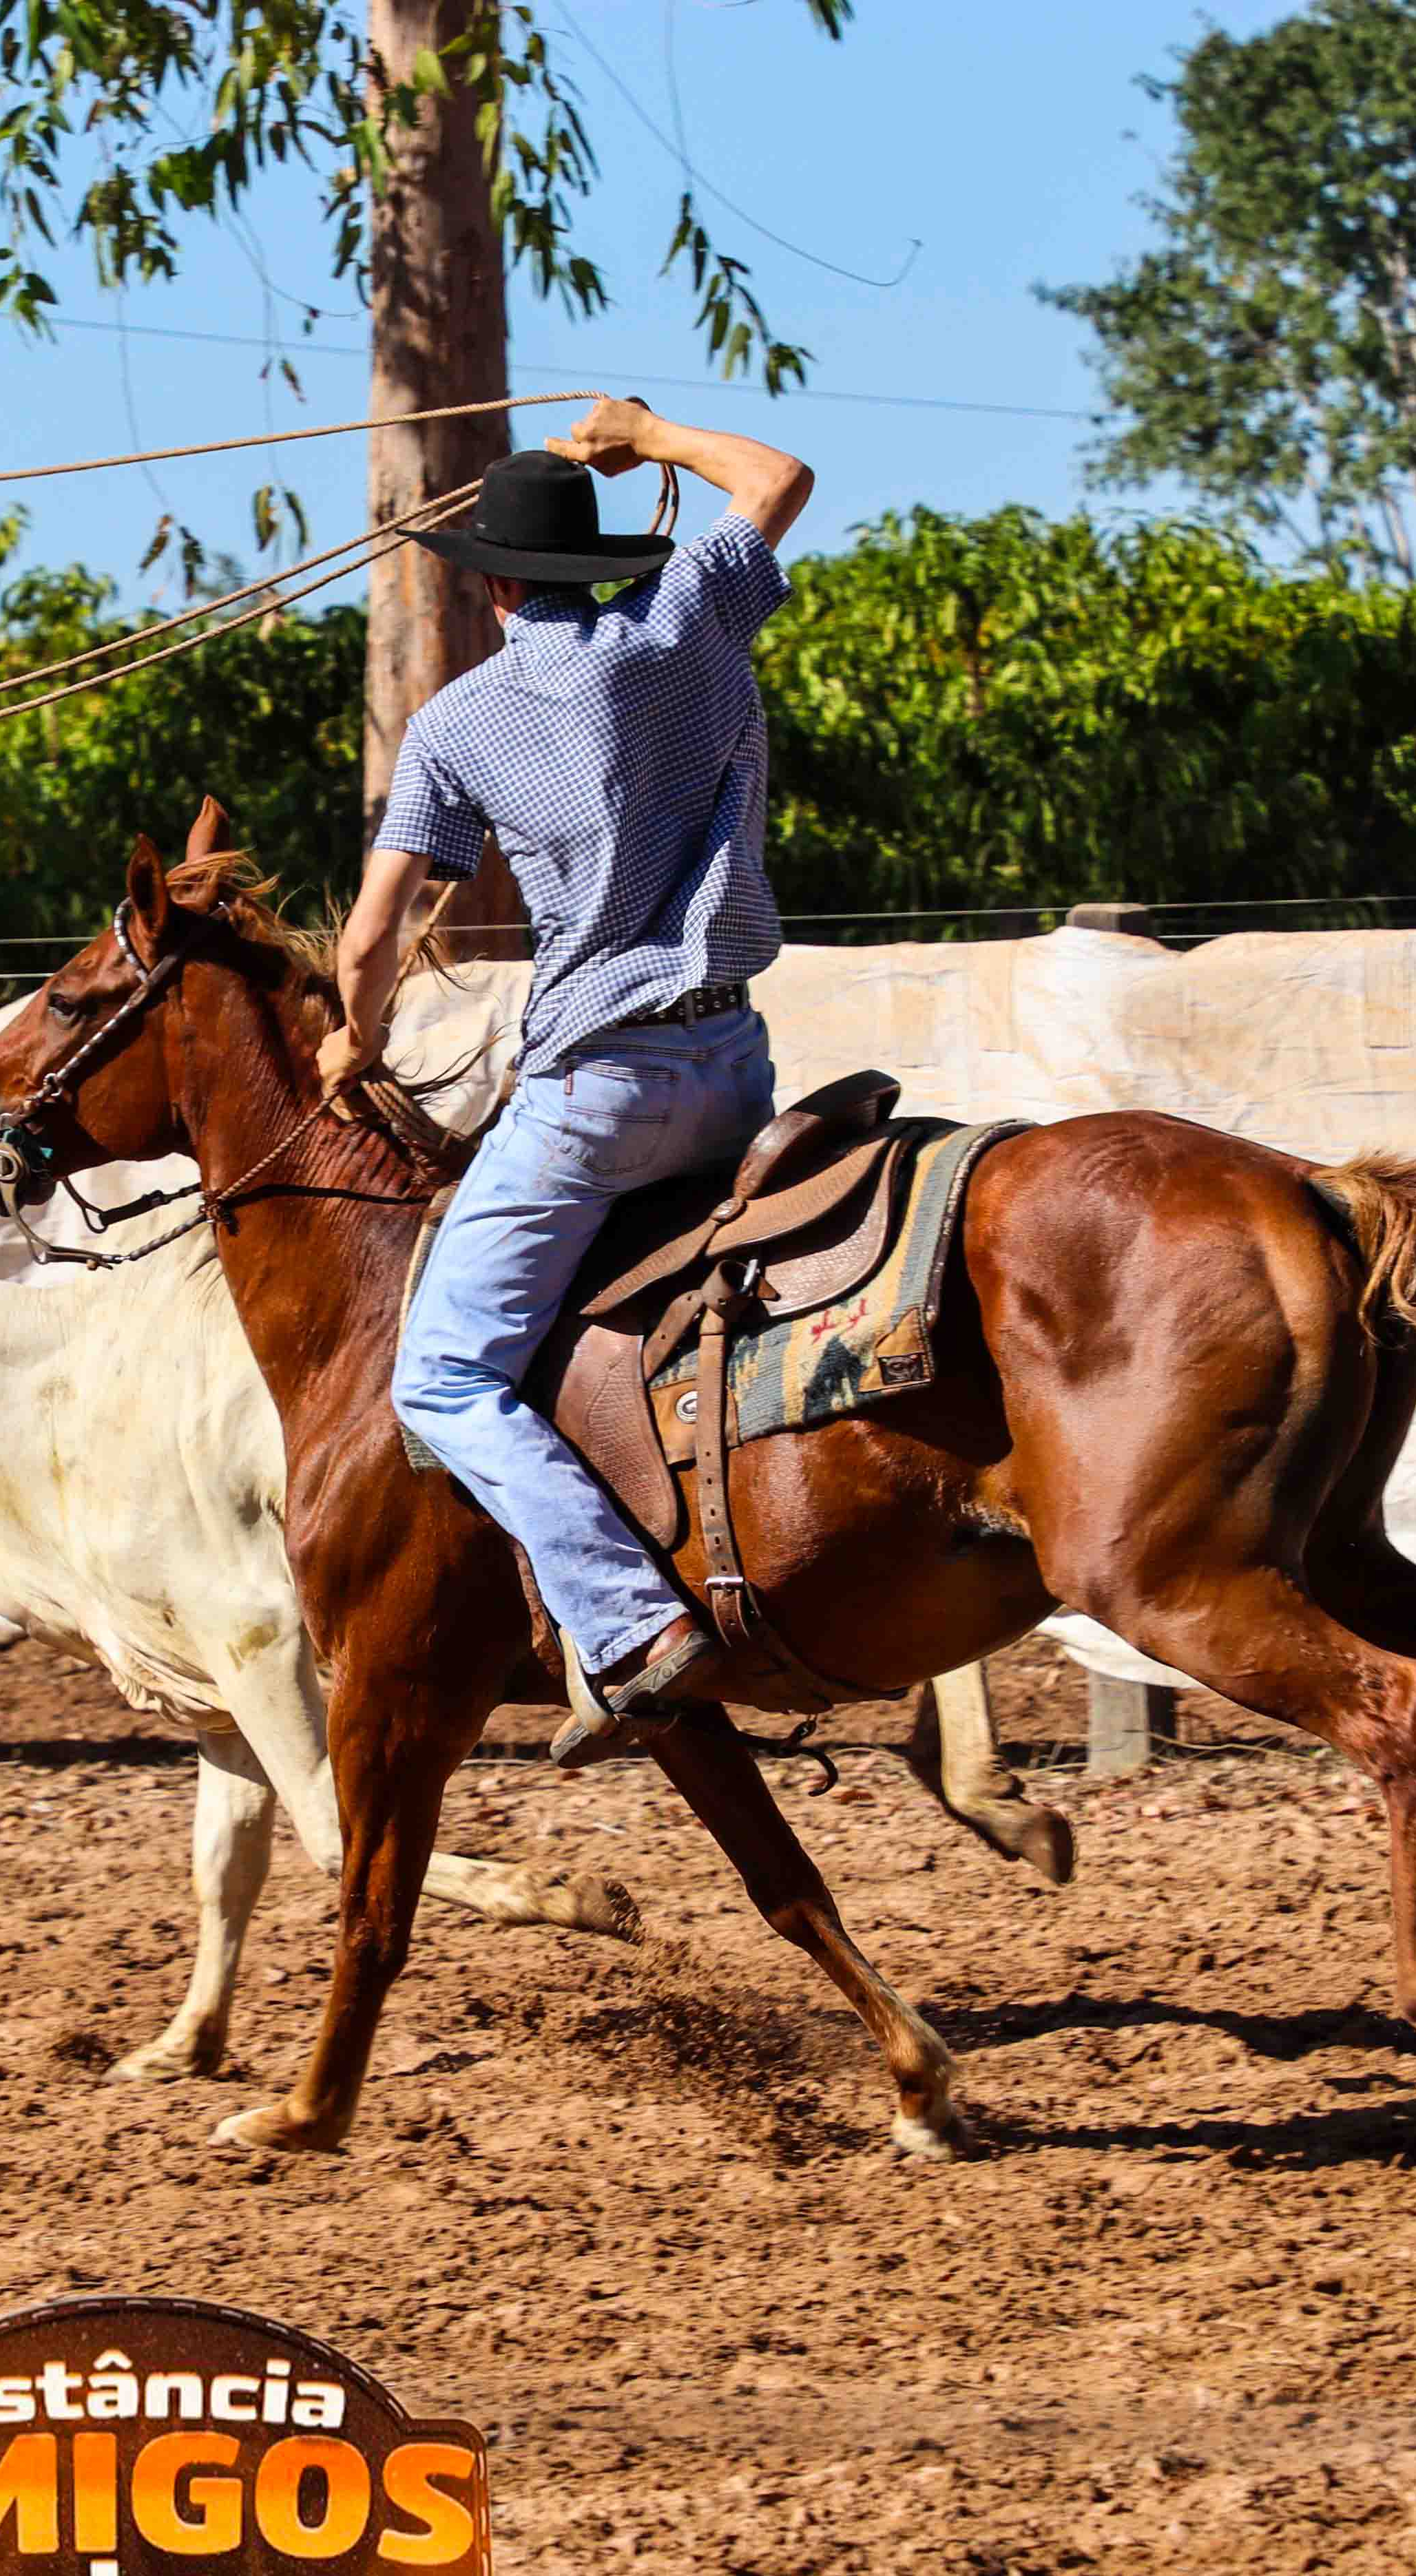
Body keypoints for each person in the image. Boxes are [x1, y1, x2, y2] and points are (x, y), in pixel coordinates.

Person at [315, 397, 814, 1764]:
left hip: (600, 1090)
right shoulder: (692, 614)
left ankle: (629, 1623)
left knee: (443, 1372)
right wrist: (650, 433)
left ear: (490, 586)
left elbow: (369, 935)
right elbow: (779, 475)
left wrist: (354, 1038)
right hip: (734, 1066)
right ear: (590, 564)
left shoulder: (454, 724)